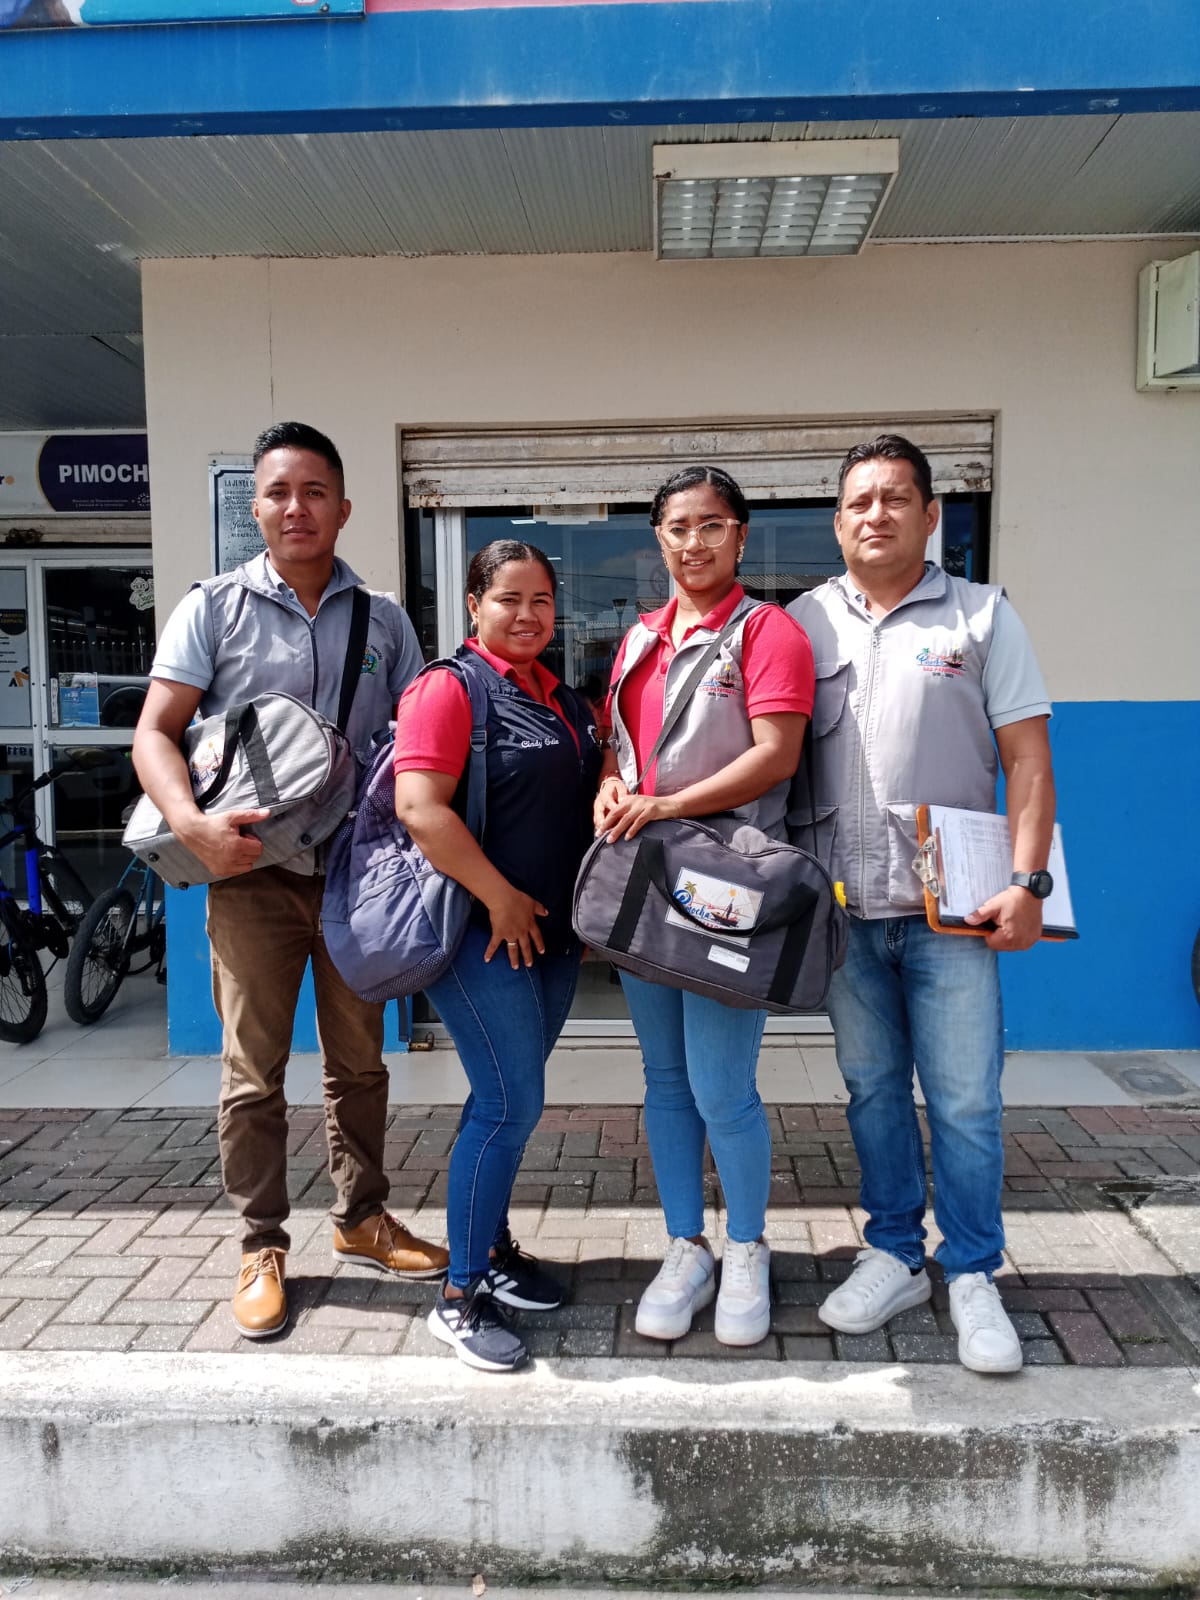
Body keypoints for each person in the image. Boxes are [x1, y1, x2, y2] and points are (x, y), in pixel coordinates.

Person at [132, 420, 448, 1340]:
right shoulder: (212, 609)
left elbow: (415, 740)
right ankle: (260, 1245)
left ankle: (361, 1218)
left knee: (360, 1064)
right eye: (278, 492)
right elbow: (156, 732)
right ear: (256, 507)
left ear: (344, 509)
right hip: (249, 878)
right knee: (253, 1073)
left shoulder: (384, 620)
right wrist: (191, 826)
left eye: (314, 492)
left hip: (355, 878)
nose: (295, 507)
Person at [788, 433, 1056, 1375]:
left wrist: (1028, 883)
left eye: (896, 498)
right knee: (871, 1091)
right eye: (859, 502)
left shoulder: (983, 617)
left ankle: (973, 1269)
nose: (877, 515)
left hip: (955, 915)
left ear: (932, 515)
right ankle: (897, 1252)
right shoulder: (804, 623)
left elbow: (1029, 761)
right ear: (837, 522)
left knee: (966, 1100)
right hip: (843, 913)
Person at [596, 466, 814, 1346]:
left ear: (741, 536)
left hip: (728, 888)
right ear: (659, 540)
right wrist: (612, 788)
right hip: (646, 882)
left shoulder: (768, 632)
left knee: (723, 1084)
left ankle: (748, 1246)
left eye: (712, 525)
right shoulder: (637, 637)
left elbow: (776, 755)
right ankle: (686, 1246)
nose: (695, 542)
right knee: (665, 1080)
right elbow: (618, 748)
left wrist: (669, 805)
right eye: (678, 527)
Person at [393, 540, 602, 1372]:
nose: (527, 615)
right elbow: (421, 808)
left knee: (506, 1098)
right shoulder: (450, 688)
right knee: (509, 1103)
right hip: (479, 934)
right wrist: (501, 897)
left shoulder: (559, 697)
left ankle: (492, 1249)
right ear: (474, 604)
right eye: (508, 599)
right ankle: (459, 1295)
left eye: (541, 600)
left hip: (551, 938)